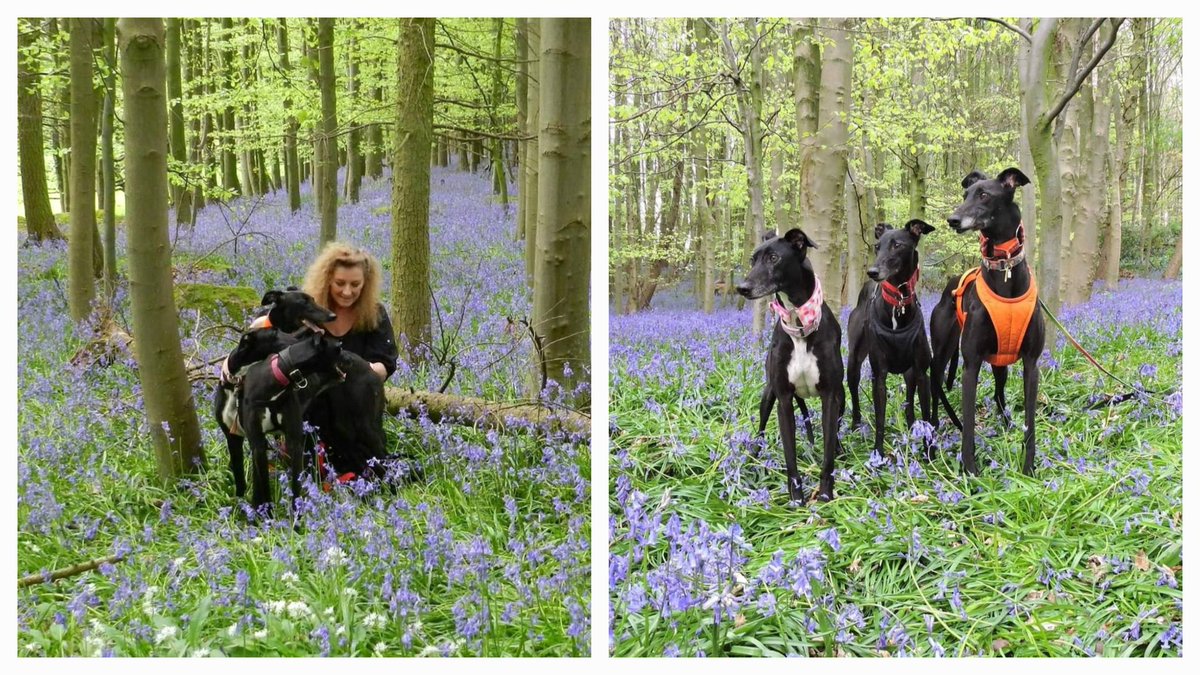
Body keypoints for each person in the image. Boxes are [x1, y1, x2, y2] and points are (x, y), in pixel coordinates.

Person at [299, 242, 399, 481]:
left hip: (358, 407)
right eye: (340, 283)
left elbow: (383, 365)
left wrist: (354, 369)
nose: (347, 291)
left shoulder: (374, 315)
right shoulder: (309, 312)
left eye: (355, 284)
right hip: (315, 407)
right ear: (327, 280)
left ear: (366, 284)